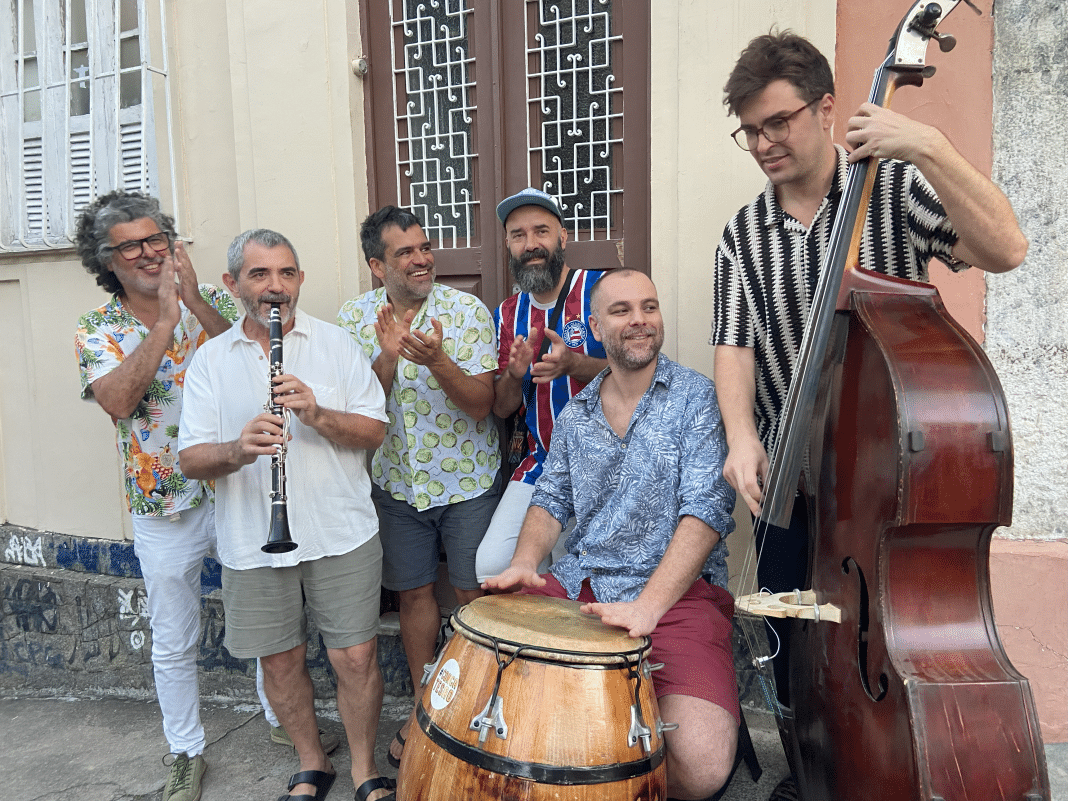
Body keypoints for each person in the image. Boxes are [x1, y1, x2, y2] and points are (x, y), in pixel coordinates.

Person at [711, 31, 1028, 799]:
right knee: (794, 650)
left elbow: (1005, 248)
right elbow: (735, 347)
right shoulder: (742, 235)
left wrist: (925, 144)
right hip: (791, 472)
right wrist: (744, 438)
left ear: (826, 109)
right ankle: (808, 763)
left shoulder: (894, 191)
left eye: (777, 122)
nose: (763, 143)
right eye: (750, 130)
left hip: (884, 478)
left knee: (885, 635)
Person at [485, 269, 739, 801]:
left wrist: (648, 607)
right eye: (622, 310)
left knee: (701, 766)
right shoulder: (576, 415)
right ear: (595, 326)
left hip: (677, 596)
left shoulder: (698, 398)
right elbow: (550, 499)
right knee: (497, 705)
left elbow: (707, 513)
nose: (639, 320)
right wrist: (526, 563)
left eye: (649, 306)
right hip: (587, 586)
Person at [177, 229, 395, 801]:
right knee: (279, 662)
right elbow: (191, 459)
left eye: (287, 273)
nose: (276, 287)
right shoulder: (209, 362)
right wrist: (236, 449)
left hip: (339, 529)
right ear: (232, 284)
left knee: (356, 656)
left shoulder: (336, 345)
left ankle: (365, 769)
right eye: (260, 275)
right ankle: (312, 762)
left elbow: (375, 428)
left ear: (299, 279)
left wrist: (318, 414)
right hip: (254, 535)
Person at [74, 191, 266, 801]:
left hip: (233, 485)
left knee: (261, 611)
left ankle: (281, 716)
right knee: (174, 635)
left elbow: (247, 351)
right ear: (107, 261)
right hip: (164, 503)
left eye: (156, 239)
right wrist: (161, 322)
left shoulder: (203, 306)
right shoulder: (96, 329)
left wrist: (192, 306)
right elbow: (118, 401)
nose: (149, 252)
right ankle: (185, 749)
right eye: (131, 245)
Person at [338, 206, 500, 768]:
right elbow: (355, 410)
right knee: (412, 596)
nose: (423, 258)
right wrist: (387, 355)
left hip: (467, 483)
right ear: (376, 266)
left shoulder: (465, 311)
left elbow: (482, 406)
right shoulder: (353, 318)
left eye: (425, 247)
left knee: (473, 596)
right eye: (405, 252)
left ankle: (478, 704)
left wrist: (436, 361)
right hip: (395, 485)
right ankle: (426, 705)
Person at [474, 187, 608, 582]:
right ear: (508, 245)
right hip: (542, 462)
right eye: (518, 235)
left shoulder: (600, 290)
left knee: (580, 579)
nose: (530, 244)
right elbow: (501, 409)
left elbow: (639, 373)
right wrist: (514, 375)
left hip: (605, 464)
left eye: (541, 231)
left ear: (563, 237)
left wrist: (575, 364)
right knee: (492, 566)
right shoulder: (506, 314)